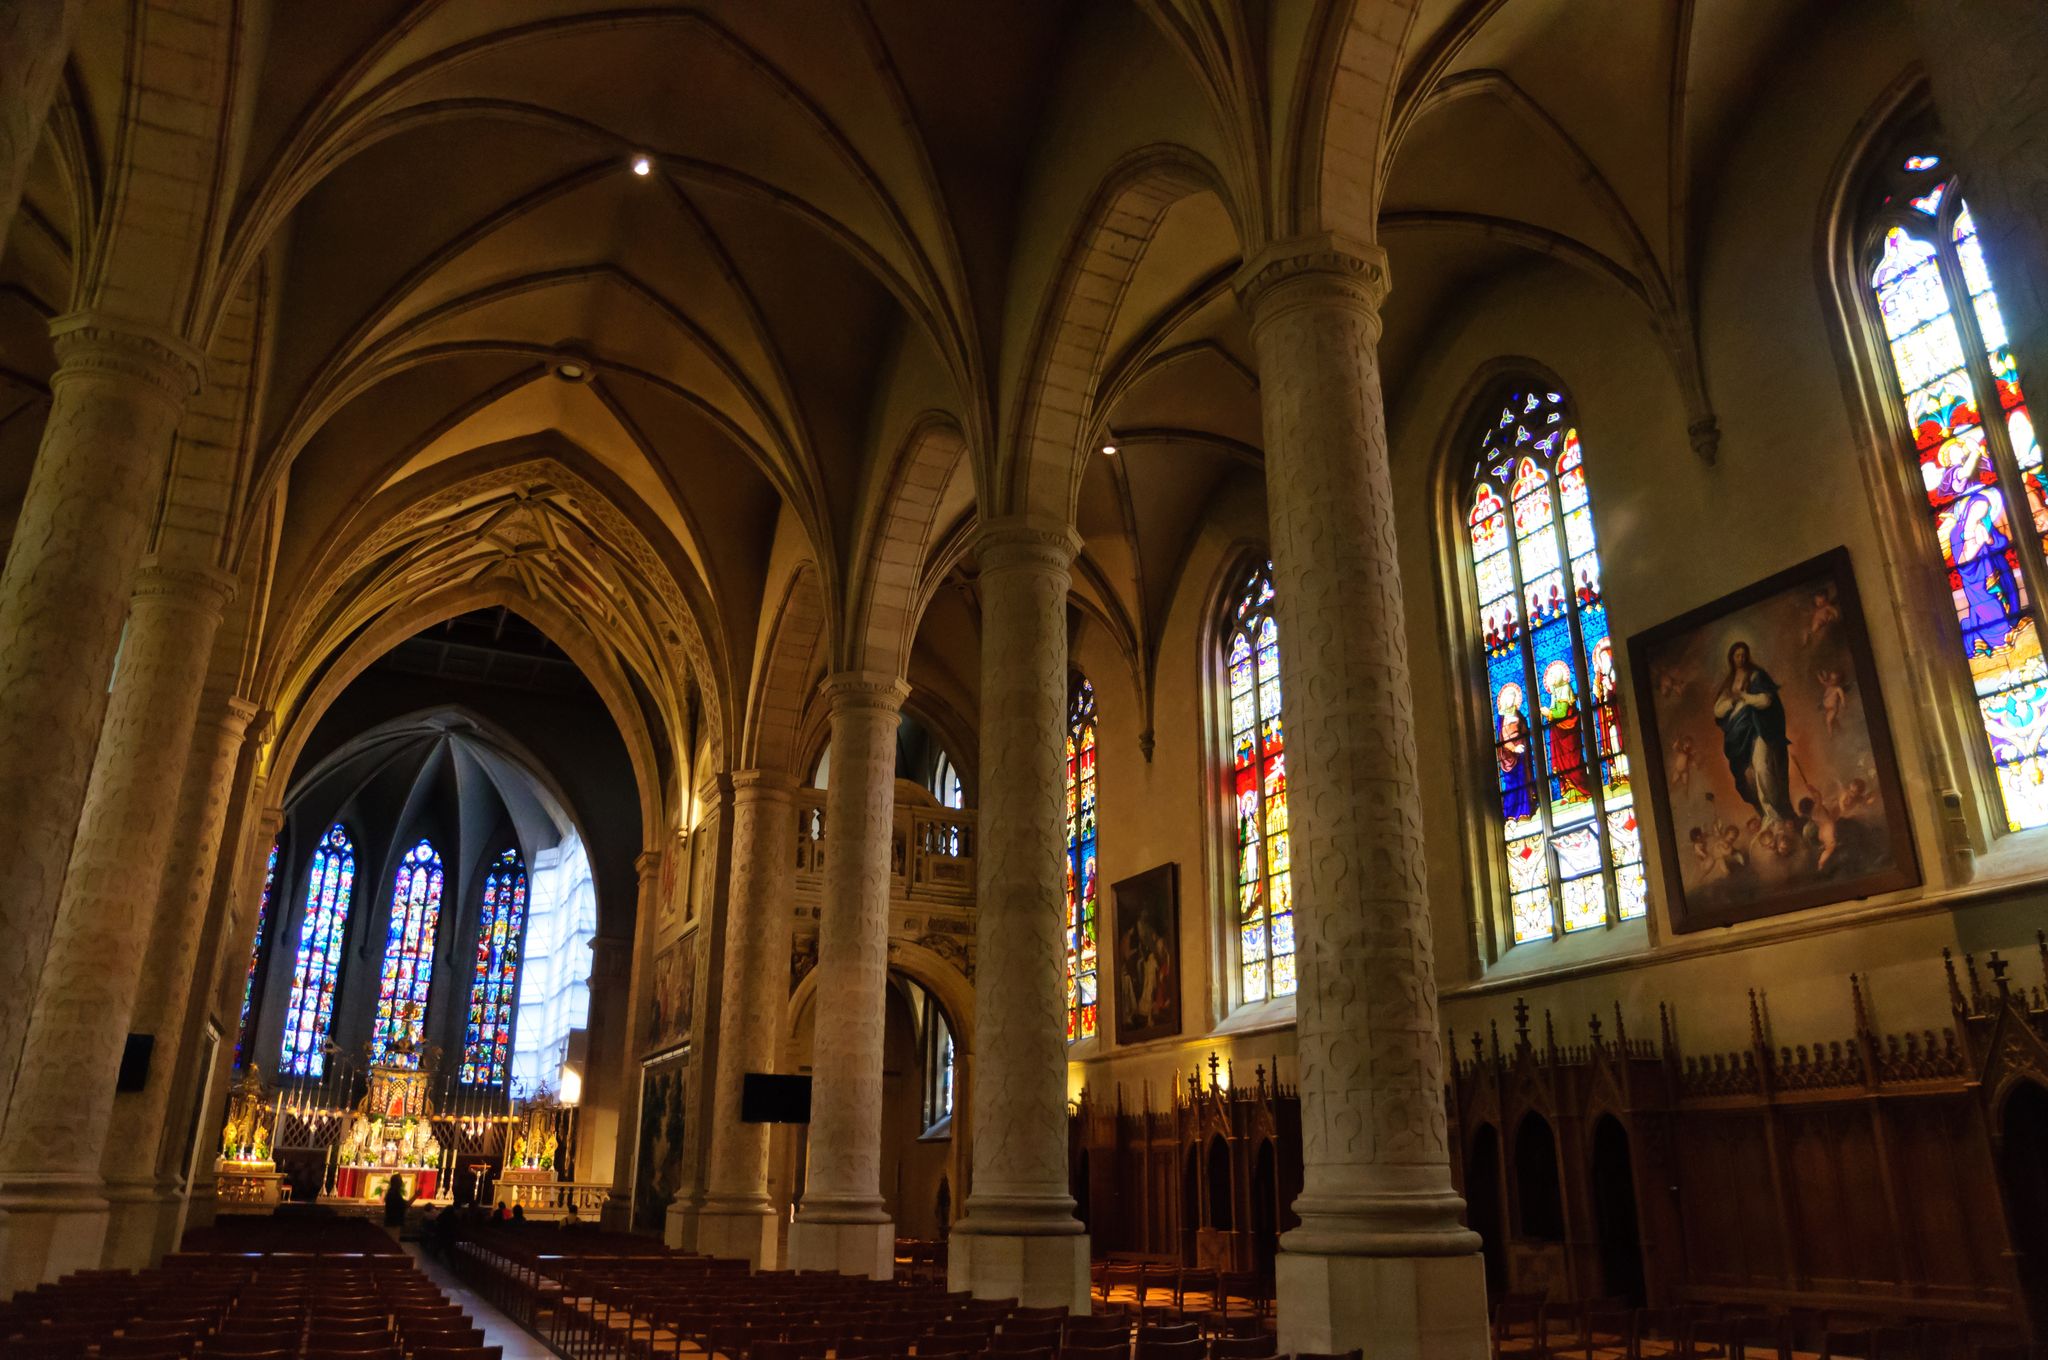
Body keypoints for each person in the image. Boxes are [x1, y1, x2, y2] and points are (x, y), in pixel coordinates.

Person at [1713, 641, 1793, 824]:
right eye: (1737, 655)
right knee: (1746, 778)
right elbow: (1718, 710)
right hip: (1737, 735)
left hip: (1757, 727)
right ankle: (1767, 813)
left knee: (1762, 767)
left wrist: (1745, 697)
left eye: (1743, 654)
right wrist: (1731, 702)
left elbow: (1766, 700)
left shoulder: (1756, 676)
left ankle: (1774, 814)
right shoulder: (1728, 683)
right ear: (1731, 658)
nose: (1740, 658)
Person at [381, 1175, 415, 1240]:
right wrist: (416, 1195)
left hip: (391, 1222)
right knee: (393, 1243)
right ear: (396, 1183)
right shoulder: (394, 1194)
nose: (402, 1182)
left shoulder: (392, 1192)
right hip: (393, 1223)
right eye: (400, 1181)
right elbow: (406, 1205)